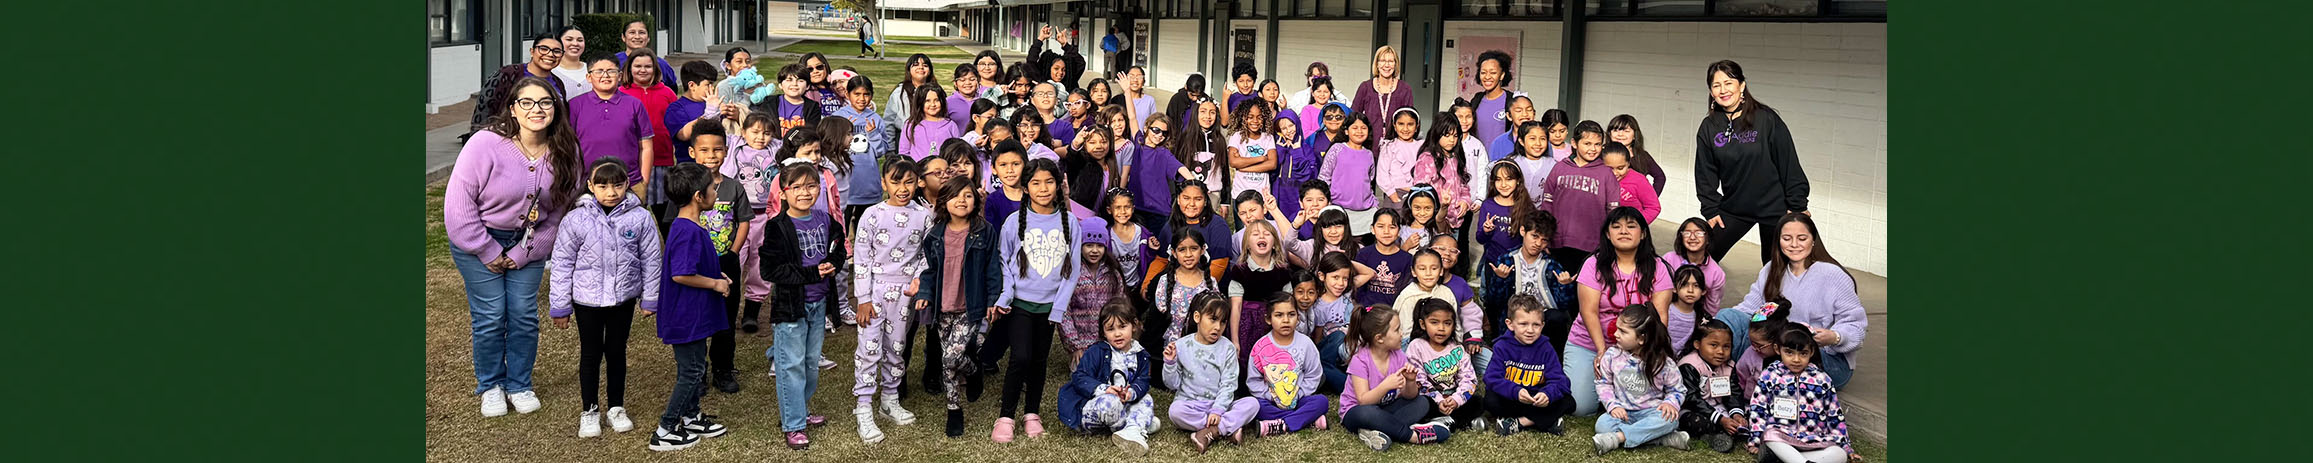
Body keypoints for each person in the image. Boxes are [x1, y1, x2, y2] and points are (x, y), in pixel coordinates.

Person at [447, 76, 584, 418]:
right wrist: (488, 250)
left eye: (545, 103)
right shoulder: (484, 143)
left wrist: (528, 249)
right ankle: (491, 384)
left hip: (529, 241)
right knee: (492, 315)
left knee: (522, 315)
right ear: (512, 108)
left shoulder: (567, 150)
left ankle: (519, 383)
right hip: (479, 239)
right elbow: (458, 205)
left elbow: (560, 211)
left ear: (556, 109)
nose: (536, 110)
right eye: (527, 102)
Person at [549, 157, 660, 438]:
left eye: (618, 185)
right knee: (590, 354)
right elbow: (562, 263)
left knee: (616, 351)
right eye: (602, 185)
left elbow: (651, 259)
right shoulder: (575, 219)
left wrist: (650, 298)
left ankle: (616, 407)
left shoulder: (640, 217)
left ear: (626, 185)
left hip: (622, 299)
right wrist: (560, 305)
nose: (611, 192)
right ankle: (589, 409)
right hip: (587, 301)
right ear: (590, 186)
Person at [990, 159, 1085, 443]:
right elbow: (1003, 261)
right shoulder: (1012, 223)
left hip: (1049, 308)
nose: (1043, 189)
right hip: (1019, 303)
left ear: (1058, 185)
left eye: (1049, 182)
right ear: (1026, 187)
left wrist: (1058, 307)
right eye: (1036, 183)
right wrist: (1006, 295)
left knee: (1039, 360)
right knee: (1020, 357)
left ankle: (1032, 413)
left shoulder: (1070, 223)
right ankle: (1006, 415)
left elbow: (1074, 269)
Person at [1715, 213, 1869, 387]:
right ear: (1778, 241)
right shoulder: (1771, 269)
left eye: (1802, 238)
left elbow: (1856, 326)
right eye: (1787, 238)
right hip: (1777, 348)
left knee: (1779, 354)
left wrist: (1835, 337)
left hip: (1821, 356)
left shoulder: (1833, 275)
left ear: (1813, 240)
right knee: (1728, 317)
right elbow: (1749, 309)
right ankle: (1720, 378)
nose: (1794, 244)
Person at [759, 162, 850, 450]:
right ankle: (793, 423)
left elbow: (839, 246)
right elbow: (770, 270)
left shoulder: (825, 220)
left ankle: (801, 409)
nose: (804, 192)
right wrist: (812, 274)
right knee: (791, 365)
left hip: (819, 303)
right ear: (783, 193)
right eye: (796, 187)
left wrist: (833, 264)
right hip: (791, 308)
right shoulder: (777, 227)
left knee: (811, 363)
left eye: (811, 185)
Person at [647, 163, 737, 451]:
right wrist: (714, 284)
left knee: (696, 367)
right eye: (712, 188)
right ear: (699, 196)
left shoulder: (690, 226)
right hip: (685, 316)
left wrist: (716, 273)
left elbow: (693, 264)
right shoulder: (686, 230)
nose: (715, 192)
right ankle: (666, 428)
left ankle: (692, 416)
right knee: (692, 372)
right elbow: (680, 274)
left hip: (694, 315)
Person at [1694, 60, 1811, 265]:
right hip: (1735, 208)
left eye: (1729, 83)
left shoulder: (1766, 119)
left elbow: (1788, 162)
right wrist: (1710, 208)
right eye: (1716, 85)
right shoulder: (1709, 126)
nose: (1723, 90)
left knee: (1775, 270)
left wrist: (1797, 205)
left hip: (1776, 208)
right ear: (1711, 92)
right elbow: (1705, 171)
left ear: (1742, 85)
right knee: (1700, 259)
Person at [912, 178, 1002, 437]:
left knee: (951, 358)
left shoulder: (983, 231)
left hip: (970, 307)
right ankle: (954, 409)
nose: (962, 201)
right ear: (944, 202)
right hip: (943, 307)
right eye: (955, 196)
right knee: (946, 362)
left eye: (968, 195)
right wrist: (925, 293)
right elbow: (929, 270)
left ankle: (973, 372)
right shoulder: (935, 235)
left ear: (976, 200)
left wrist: (992, 300)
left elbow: (992, 269)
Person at [848, 159, 930, 444]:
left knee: (897, 347)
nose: (902, 188)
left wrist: (919, 280)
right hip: (875, 292)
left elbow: (926, 254)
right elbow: (861, 258)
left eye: (909, 181)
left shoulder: (924, 216)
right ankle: (864, 408)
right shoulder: (872, 215)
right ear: (884, 184)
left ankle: (890, 399)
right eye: (895, 182)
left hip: (904, 295)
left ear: (918, 181)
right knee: (869, 349)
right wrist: (863, 298)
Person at [1568, 207, 1674, 416]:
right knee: (1581, 408)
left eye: (1631, 226)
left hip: (1638, 349)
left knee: (1647, 404)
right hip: (1590, 343)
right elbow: (1588, 311)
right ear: (1608, 234)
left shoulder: (1658, 267)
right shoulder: (1593, 264)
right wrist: (1601, 351)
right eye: (1616, 227)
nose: (1623, 231)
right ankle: (1606, 389)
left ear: (1643, 233)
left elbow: (1660, 315)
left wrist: (1648, 351)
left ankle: (1613, 390)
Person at [684, 124, 751, 395]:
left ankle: (723, 369)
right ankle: (697, 372)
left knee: (725, 319)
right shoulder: (685, 187)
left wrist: (733, 252)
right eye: (704, 150)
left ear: (726, 151)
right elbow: (675, 224)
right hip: (697, 268)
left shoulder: (734, 187)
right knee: (698, 320)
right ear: (692, 152)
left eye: (717, 149)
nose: (711, 155)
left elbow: (744, 221)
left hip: (726, 262)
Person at [1340, 305, 1452, 451]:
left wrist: (1411, 381)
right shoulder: (1360, 360)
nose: (1402, 334)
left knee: (1422, 402)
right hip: (1357, 413)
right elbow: (1363, 400)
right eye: (1397, 330)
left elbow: (1409, 396)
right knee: (1367, 413)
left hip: (1385, 410)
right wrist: (1385, 386)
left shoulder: (1398, 355)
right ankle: (1413, 436)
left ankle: (1379, 430)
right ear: (1379, 338)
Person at [1057, 302, 1158, 455]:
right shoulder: (1097, 351)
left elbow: (1143, 381)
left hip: (1123, 404)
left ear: (1134, 325)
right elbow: (1079, 377)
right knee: (1111, 402)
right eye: (1111, 329)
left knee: (1146, 398)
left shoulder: (1141, 354)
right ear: (1103, 333)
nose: (1117, 334)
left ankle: (1132, 430)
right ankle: (1136, 424)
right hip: (1097, 406)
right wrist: (1105, 389)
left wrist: (1131, 393)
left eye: (1122, 327)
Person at [1590, 306, 1692, 455]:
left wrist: (1670, 403)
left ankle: (1618, 438)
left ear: (1642, 339)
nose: (1616, 334)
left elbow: (1677, 389)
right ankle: (1661, 439)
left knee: (1670, 420)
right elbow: (1603, 383)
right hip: (1622, 413)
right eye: (1617, 328)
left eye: (1623, 331)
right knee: (1602, 425)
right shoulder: (1612, 355)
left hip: (1651, 413)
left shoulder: (1663, 363)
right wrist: (1612, 406)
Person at [1164, 292, 1259, 452]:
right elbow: (1172, 384)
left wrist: (1218, 409)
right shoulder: (1181, 346)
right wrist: (1170, 363)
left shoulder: (1227, 348)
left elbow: (1229, 384)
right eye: (1213, 319)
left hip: (1222, 406)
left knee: (1252, 404)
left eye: (1222, 322)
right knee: (1175, 411)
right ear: (1197, 317)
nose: (1217, 327)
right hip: (1191, 405)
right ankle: (1227, 428)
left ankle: (1211, 432)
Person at [1748, 328, 1856, 463]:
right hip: (1781, 437)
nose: (1796, 359)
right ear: (1777, 349)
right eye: (1789, 353)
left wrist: (1845, 446)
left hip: (1813, 439)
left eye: (1803, 353)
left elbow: (1834, 414)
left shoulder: (1822, 379)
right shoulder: (1770, 375)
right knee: (1770, 435)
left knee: (1839, 454)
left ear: (1811, 352)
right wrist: (1756, 439)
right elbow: (1758, 407)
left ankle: (1788, 460)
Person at [1482, 295, 1574, 435]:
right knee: (1490, 400)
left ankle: (1520, 422)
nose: (1530, 330)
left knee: (1568, 402)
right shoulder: (1502, 346)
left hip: (1537, 398)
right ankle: (1548, 421)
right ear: (1510, 324)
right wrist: (1515, 391)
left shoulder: (1546, 347)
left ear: (1542, 325)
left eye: (1536, 325)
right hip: (1513, 397)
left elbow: (1561, 381)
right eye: (1523, 324)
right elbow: (1491, 378)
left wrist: (1547, 394)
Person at [1487, 212, 1578, 353]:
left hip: (1543, 317)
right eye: (1534, 236)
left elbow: (1564, 305)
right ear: (1523, 231)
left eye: (1544, 240)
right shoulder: (1507, 260)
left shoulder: (1551, 265)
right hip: (1515, 316)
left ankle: (1553, 361)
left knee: (1557, 317)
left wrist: (1565, 286)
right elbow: (1494, 301)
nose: (1538, 244)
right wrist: (1500, 279)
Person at [726, 114, 782, 332]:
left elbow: (793, 142)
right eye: (755, 132)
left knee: (760, 264)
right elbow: (712, 130)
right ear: (744, 132)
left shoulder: (775, 150)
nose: (761, 137)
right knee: (734, 261)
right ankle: (727, 310)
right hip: (738, 217)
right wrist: (714, 109)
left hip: (765, 216)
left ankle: (751, 312)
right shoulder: (735, 146)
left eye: (766, 133)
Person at [1540, 121, 1621, 269]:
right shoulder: (1559, 168)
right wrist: (1545, 236)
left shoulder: (1606, 173)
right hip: (1558, 242)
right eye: (1587, 143)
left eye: (1597, 144)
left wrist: (1610, 242)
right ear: (1574, 143)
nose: (1593, 149)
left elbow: (1613, 212)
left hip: (1592, 246)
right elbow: (1547, 205)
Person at [569, 58, 655, 196]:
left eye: (611, 71)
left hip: (629, 183)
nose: (605, 75)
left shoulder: (634, 104)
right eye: (599, 71)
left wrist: (643, 182)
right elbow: (567, 146)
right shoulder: (575, 105)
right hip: (586, 184)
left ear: (620, 76)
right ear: (589, 77)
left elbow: (646, 146)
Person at [1245, 294, 1328, 436]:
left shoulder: (1306, 343)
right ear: (1268, 319)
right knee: (1254, 406)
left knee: (1322, 402)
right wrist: (1272, 397)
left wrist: (1298, 395)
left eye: (1291, 314)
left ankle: (1279, 425)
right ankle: (1307, 420)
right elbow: (1253, 380)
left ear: (1298, 317)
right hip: (1270, 402)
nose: (1285, 320)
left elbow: (1313, 375)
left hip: (1299, 399)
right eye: (1278, 315)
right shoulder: (1260, 347)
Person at [618, 49, 680, 223]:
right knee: (632, 214)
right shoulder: (621, 93)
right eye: (637, 66)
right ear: (629, 69)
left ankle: (669, 248)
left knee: (664, 217)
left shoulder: (667, 93)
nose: (642, 70)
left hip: (662, 161)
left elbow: (676, 123)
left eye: (648, 66)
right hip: (631, 163)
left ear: (655, 69)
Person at [470, 33, 568, 138]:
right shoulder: (508, 74)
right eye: (543, 49)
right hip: (506, 140)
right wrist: (479, 141)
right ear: (532, 51)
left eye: (557, 51)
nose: (550, 54)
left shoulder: (558, 83)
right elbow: (484, 109)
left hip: (546, 143)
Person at [1404, 298, 1482, 431]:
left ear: (1453, 325)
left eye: (1447, 323)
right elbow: (1420, 381)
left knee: (1478, 402)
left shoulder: (1457, 348)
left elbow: (1469, 378)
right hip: (1430, 400)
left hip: (1453, 399)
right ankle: (1458, 421)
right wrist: (1439, 400)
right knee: (1420, 404)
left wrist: (1456, 400)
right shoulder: (1416, 346)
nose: (1441, 328)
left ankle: (1446, 422)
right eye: (1434, 323)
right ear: (1423, 324)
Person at [1060, 220, 1130, 362]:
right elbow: (1063, 312)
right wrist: (1075, 346)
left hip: (1109, 341)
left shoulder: (1112, 273)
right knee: (1086, 375)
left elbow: (1121, 307)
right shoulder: (1071, 273)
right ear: (1080, 246)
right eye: (1089, 245)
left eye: (1099, 246)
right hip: (1081, 344)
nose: (1094, 250)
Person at [1677, 319, 1747, 453]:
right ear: (1697, 344)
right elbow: (1692, 399)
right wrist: (1720, 420)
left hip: (1721, 410)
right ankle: (1714, 435)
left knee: (1748, 415)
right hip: (1695, 411)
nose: (1721, 351)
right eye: (1713, 345)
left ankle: (1732, 429)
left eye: (1726, 346)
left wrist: (1737, 415)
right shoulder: (1689, 365)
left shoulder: (1729, 365)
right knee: (1696, 422)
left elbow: (1734, 392)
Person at [835, 77, 894, 224]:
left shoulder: (875, 119)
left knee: (867, 227)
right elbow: (832, 148)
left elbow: (880, 152)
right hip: (845, 184)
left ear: (871, 95)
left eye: (866, 94)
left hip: (868, 183)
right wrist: (845, 132)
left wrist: (873, 134)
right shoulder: (838, 117)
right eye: (857, 94)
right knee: (842, 227)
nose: (862, 98)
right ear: (847, 95)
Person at [1317, 112, 1379, 234]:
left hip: (1365, 212)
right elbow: (1324, 177)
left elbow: (1369, 181)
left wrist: (1375, 205)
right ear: (1346, 131)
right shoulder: (1337, 149)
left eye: (1363, 128)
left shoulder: (1369, 154)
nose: (1359, 131)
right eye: (1355, 128)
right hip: (1339, 209)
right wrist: (1326, 203)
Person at [1663, 218, 1729, 314]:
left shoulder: (1716, 273)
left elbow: (1711, 307)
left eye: (1699, 233)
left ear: (1708, 239)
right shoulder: (1669, 259)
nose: (1692, 237)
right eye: (1687, 233)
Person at [1352, 209, 1412, 307]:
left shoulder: (1407, 259)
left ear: (1399, 231)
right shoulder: (1364, 254)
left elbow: (1406, 290)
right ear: (1372, 229)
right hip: (1366, 311)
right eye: (1381, 226)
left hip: (1393, 312)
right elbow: (1357, 287)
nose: (1386, 232)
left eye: (1392, 227)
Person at [1351, 46, 1414, 135]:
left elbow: (1409, 119)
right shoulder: (1365, 87)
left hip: (1395, 143)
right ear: (1377, 64)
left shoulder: (1405, 89)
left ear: (1395, 64)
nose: (1387, 65)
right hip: (1369, 142)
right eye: (1383, 61)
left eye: (1391, 61)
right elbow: (1353, 116)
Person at [1603, 141, 1662, 223]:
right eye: (1610, 169)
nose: (1615, 173)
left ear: (1628, 164)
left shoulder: (1639, 180)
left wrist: (1636, 224)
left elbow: (1653, 207)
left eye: (1620, 168)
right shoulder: (1599, 178)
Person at [1608, 114, 1667, 195]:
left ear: (1634, 135)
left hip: (1634, 206)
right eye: (1615, 130)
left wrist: (1651, 198)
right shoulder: (1603, 154)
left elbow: (1660, 177)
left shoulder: (1642, 156)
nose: (1620, 134)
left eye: (1626, 131)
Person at [1467, 50, 1515, 147]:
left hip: (1502, 160)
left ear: (1502, 75)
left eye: (1493, 72)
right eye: (1483, 72)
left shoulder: (1512, 100)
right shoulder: (1476, 100)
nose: (1487, 77)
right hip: (1478, 159)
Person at [614, 20, 679, 90]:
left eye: (642, 33)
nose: (637, 36)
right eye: (632, 32)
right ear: (623, 37)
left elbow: (672, 89)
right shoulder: (613, 62)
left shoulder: (661, 64)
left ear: (648, 38)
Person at [899, 86, 959, 160]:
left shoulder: (950, 125)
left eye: (936, 100)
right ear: (920, 102)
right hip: (918, 169)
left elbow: (956, 151)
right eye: (927, 101)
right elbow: (904, 152)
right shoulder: (911, 124)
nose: (933, 104)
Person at [886, 54, 937, 130]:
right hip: (904, 137)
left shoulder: (936, 92)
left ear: (930, 71)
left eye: (925, 65)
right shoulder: (899, 93)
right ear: (909, 70)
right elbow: (888, 121)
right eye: (916, 65)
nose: (921, 67)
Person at [549, 26, 592, 99]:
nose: (575, 43)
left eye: (580, 40)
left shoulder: (594, 70)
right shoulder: (550, 72)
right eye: (569, 39)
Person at [1120, 66, 1157, 133]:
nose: (1135, 80)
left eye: (1139, 77)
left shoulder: (1149, 100)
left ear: (1143, 81)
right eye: (1131, 76)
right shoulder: (1118, 100)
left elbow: (1154, 123)